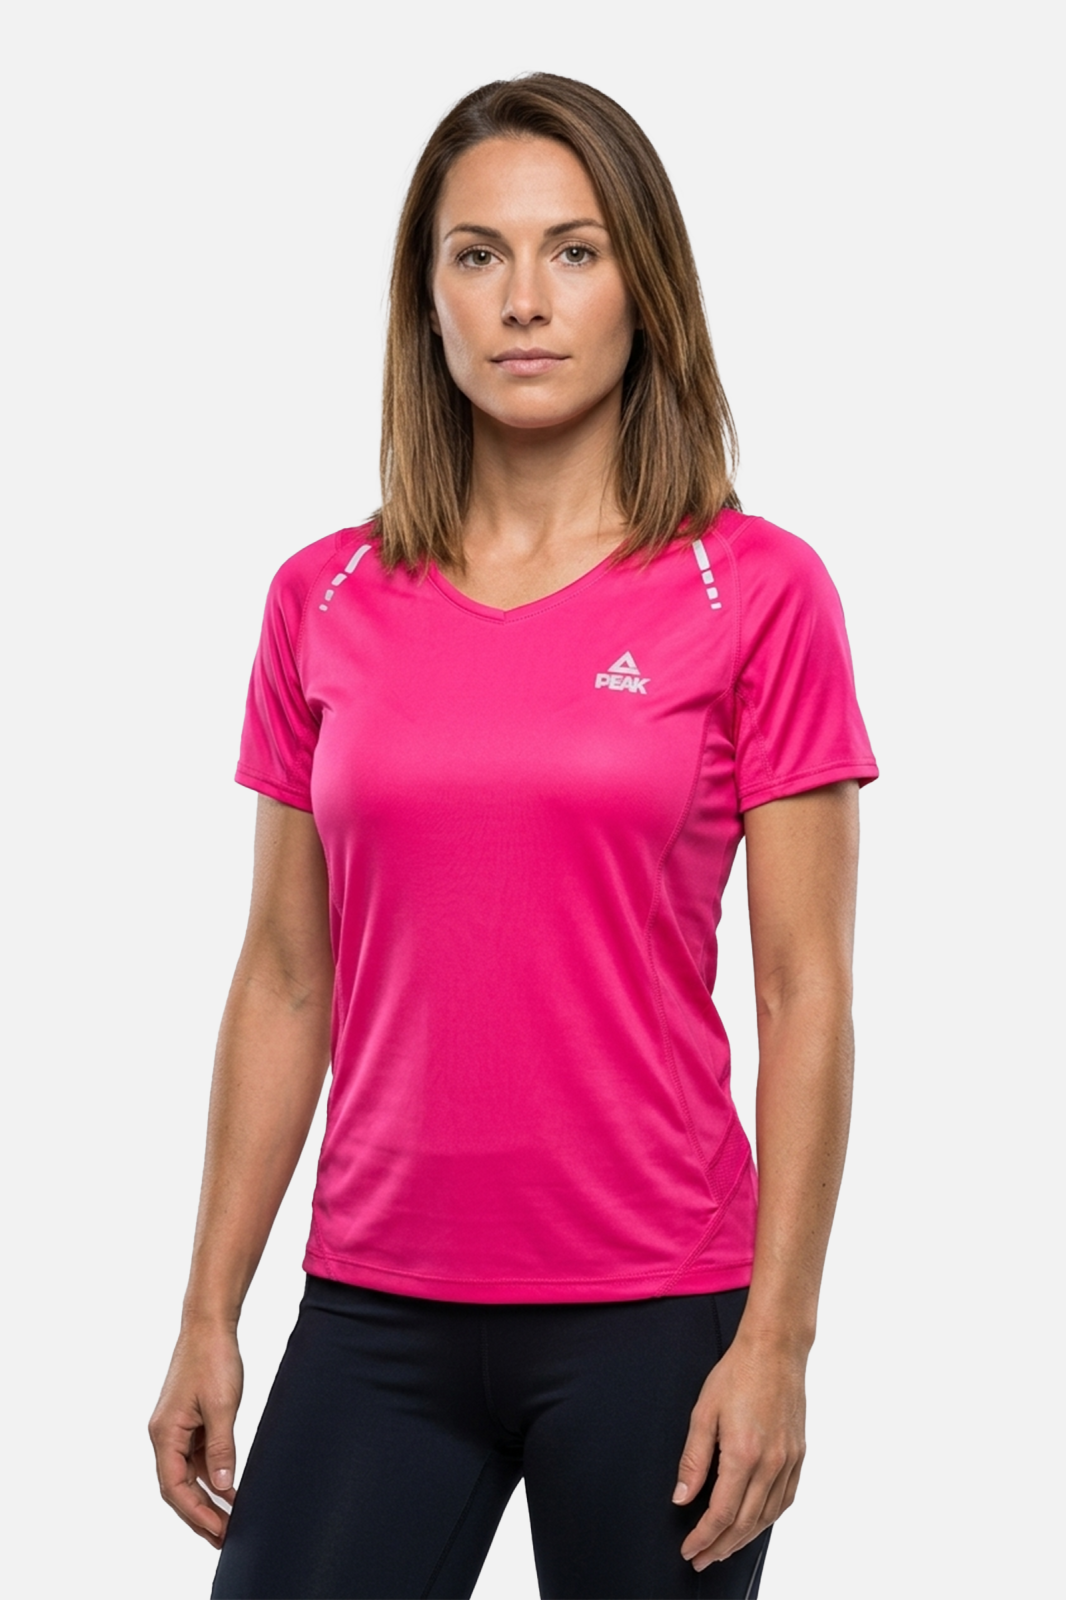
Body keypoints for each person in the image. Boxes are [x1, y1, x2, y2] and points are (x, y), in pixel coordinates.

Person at [148, 72, 879, 1600]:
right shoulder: (323, 597)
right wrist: (208, 1305)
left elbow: (803, 991)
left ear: (642, 287)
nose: (524, 300)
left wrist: (779, 1339)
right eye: (477, 254)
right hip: (374, 1304)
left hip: (655, 1312)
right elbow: (285, 977)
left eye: (574, 250)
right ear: (426, 300)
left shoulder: (753, 590)